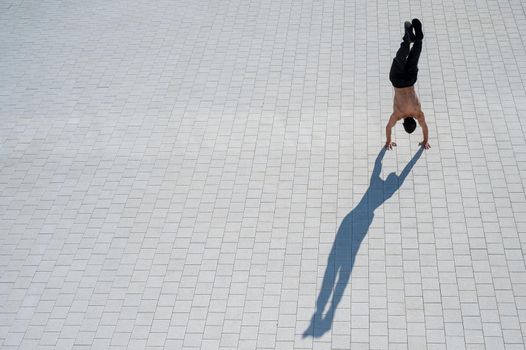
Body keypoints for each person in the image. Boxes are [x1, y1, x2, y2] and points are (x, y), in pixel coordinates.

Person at [385, 18, 430, 150]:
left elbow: (425, 127)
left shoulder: (418, 113)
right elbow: (388, 127)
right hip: (397, 82)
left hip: (410, 81)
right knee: (399, 59)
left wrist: (425, 141)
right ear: (403, 122)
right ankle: (407, 41)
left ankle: (418, 40)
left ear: (415, 121)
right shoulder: (397, 114)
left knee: (414, 58)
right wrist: (388, 142)